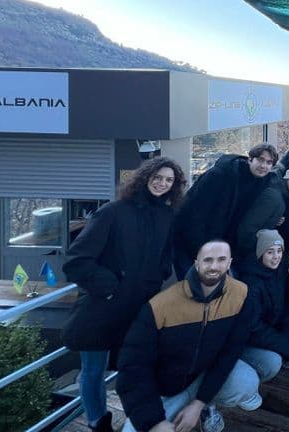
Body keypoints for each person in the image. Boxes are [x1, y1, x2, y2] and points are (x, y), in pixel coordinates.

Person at [63, 156, 185, 432]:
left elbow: (166, 257)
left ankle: (138, 420)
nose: (162, 184)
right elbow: (76, 261)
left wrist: (158, 276)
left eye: (169, 180)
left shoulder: (167, 216)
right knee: (93, 371)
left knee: (135, 368)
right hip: (101, 309)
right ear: (145, 177)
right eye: (158, 177)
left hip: (138, 310)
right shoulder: (112, 212)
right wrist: (109, 286)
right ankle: (97, 422)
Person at [117, 240, 260, 432]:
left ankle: (208, 406)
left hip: (204, 376)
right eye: (207, 260)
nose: (214, 266)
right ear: (196, 263)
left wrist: (199, 402)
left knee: (246, 380)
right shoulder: (161, 306)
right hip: (165, 388)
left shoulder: (241, 294)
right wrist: (154, 422)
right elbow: (133, 366)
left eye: (221, 260)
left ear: (229, 263)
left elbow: (231, 350)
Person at [172, 143, 277, 279]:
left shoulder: (263, 183)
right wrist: (201, 251)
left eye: (269, 162)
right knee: (192, 292)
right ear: (250, 159)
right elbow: (192, 214)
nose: (264, 166)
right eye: (260, 160)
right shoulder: (220, 175)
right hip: (190, 245)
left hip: (219, 249)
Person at [238, 230, 289, 387]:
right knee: (274, 361)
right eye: (270, 252)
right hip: (247, 340)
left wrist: (287, 336)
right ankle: (246, 386)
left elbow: (284, 306)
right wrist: (284, 345)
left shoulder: (278, 270)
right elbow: (252, 328)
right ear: (260, 253)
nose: (276, 256)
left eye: (279, 251)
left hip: (270, 331)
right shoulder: (250, 284)